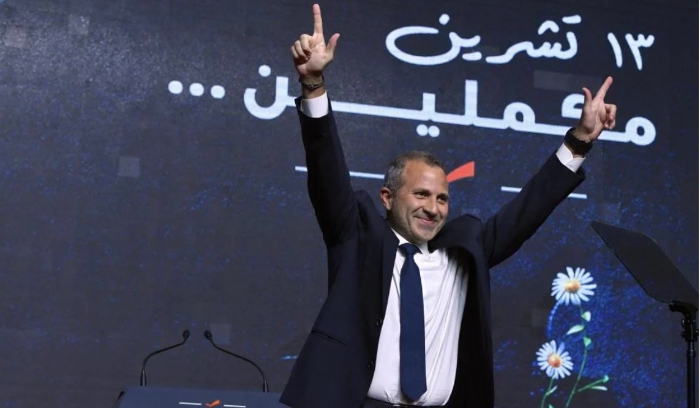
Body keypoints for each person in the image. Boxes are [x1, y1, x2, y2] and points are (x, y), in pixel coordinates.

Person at [280, 4, 617, 408]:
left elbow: (528, 209)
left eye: (442, 198)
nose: (433, 208)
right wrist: (313, 84)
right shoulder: (356, 235)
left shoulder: (464, 250)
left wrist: (579, 141)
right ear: (387, 198)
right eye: (421, 195)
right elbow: (326, 171)